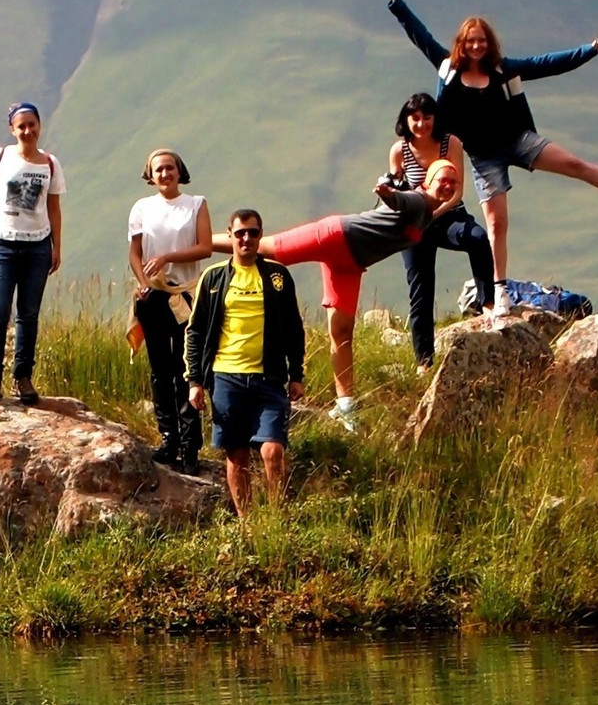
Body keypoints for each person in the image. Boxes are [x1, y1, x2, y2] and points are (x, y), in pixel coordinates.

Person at [379, 0, 598, 315]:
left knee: (575, 164)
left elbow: (544, 64)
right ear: (461, 44)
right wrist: (395, 1)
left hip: (518, 140)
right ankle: (499, 292)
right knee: (497, 224)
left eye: (482, 40)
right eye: (471, 41)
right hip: (484, 157)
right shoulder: (448, 70)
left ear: (489, 43)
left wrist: (588, 51)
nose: (477, 45)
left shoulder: (502, 69)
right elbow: (418, 34)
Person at [183, 160, 464, 427]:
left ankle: (345, 407)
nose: (449, 185)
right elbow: (400, 200)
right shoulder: (417, 201)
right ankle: (195, 244)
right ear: (427, 183)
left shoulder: (428, 213)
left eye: (453, 181)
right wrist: (388, 194)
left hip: (351, 262)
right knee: (266, 248)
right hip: (335, 236)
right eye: (443, 180)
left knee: (342, 333)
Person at [183, 210, 306, 519]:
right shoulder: (214, 278)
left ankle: (276, 520)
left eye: (252, 233)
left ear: (260, 235)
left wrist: (296, 375)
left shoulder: (277, 276)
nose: (246, 239)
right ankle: (247, 523)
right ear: (231, 236)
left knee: (272, 450)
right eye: (240, 233)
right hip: (226, 377)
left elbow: (294, 327)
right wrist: (195, 381)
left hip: (269, 377)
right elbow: (195, 330)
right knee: (237, 455)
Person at [389, 94, 495, 369]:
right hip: (414, 223)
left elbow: (457, 189)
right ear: (406, 120)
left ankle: (488, 305)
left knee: (477, 238)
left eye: (427, 117)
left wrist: (433, 213)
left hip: (448, 214)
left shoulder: (451, 143)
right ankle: (424, 362)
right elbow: (398, 191)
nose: (421, 124)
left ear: (435, 119)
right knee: (420, 291)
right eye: (415, 118)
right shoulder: (399, 151)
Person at [0, 102, 64, 406]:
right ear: (12, 129)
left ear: (40, 125)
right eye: (21, 126)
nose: (27, 130)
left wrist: (56, 246)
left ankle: (23, 377)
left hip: (37, 245)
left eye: (32, 124)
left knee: (29, 314)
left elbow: (53, 207)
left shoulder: (50, 164)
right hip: (2, 243)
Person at [128, 149, 212, 470]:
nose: (165, 174)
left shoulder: (196, 205)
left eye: (170, 168)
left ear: (180, 171)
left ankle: (191, 446)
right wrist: (143, 280)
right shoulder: (142, 208)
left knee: (188, 370)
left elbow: (204, 247)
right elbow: (135, 252)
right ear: (150, 175)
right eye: (158, 170)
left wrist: (167, 258)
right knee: (160, 370)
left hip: (186, 295)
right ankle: (168, 439)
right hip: (154, 295)